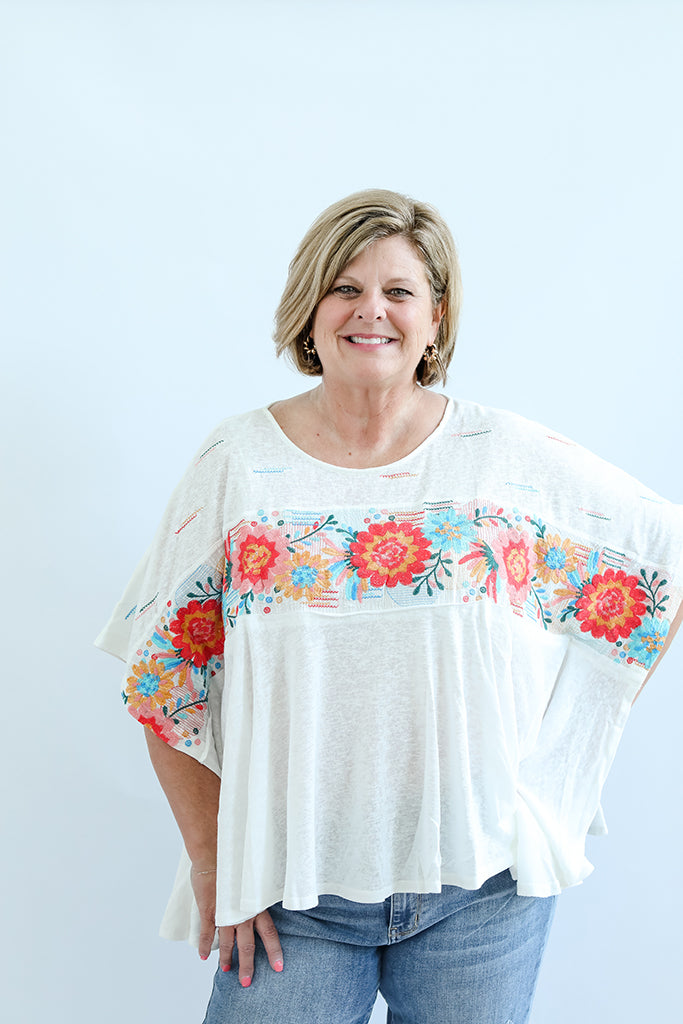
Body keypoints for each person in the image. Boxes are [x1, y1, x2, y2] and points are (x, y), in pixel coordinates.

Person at [96, 189, 683, 1024]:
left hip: (480, 896)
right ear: (309, 310)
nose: (370, 310)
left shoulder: (503, 460)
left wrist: (549, 785)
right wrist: (213, 856)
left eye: (398, 292)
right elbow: (163, 679)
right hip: (292, 894)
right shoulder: (238, 464)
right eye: (344, 287)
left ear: (434, 319)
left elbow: (660, 562)